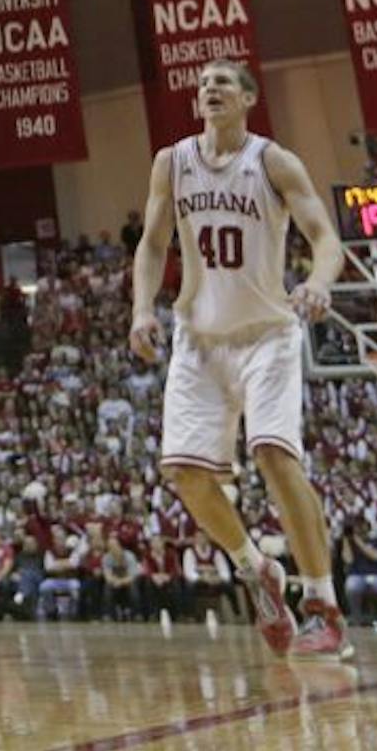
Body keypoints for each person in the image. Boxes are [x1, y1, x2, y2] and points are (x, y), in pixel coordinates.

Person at [130, 58, 350, 660]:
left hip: (266, 334)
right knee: (184, 474)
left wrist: (321, 282)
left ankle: (324, 605)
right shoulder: (171, 162)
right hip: (198, 339)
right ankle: (257, 570)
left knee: (274, 455)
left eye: (222, 82)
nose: (209, 90)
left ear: (249, 97)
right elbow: (151, 245)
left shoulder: (273, 161)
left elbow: (326, 237)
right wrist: (141, 309)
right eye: (202, 84)